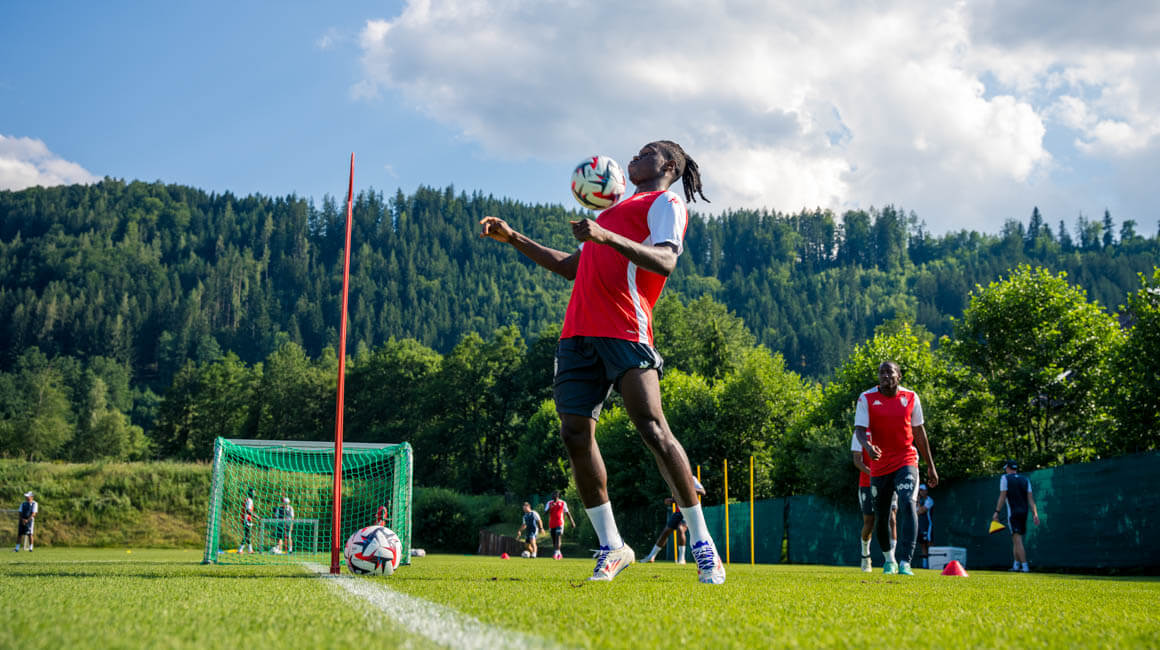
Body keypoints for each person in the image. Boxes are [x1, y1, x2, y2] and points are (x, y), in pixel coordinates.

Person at [480, 141, 725, 584]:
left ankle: (703, 543)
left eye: (646, 153)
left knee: (652, 427)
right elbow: (572, 267)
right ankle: (613, 546)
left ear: (668, 165)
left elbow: (667, 260)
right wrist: (514, 237)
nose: (634, 157)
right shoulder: (611, 212)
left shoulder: (664, 203)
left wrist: (604, 236)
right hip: (577, 336)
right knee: (574, 433)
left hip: (627, 329)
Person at [853, 361, 939, 576]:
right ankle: (889, 560)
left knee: (908, 503)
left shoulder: (911, 397)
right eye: (881, 372)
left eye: (889, 372)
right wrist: (868, 447)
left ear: (898, 376)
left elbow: (919, 432)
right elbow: (860, 430)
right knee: (881, 516)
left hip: (906, 460)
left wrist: (930, 466)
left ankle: (905, 562)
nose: (885, 376)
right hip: (880, 465)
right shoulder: (866, 398)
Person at [851, 433, 897, 572]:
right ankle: (865, 556)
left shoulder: (888, 427)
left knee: (892, 518)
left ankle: (891, 560)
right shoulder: (859, 433)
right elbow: (857, 460)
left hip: (889, 480)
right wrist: (874, 474)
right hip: (867, 483)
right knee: (869, 522)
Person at [641, 478, 706, 564]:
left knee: (680, 529)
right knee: (666, 532)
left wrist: (689, 488)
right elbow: (679, 498)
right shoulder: (675, 480)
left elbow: (703, 492)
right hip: (679, 511)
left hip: (690, 510)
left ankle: (682, 559)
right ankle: (651, 556)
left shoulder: (691, 478)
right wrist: (671, 501)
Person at [992, 460, 1040, 572]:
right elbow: (1031, 499)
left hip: (1013, 514)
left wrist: (997, 511)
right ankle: (1016, 565)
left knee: (1017, 540)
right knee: (1015, 539)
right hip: (1024, 513)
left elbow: (1002, 496)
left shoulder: (1005, 478)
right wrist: (1035, 514)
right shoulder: (1026, 479)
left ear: (1008, 468)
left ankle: (1025, 566)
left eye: (1006, 468)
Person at [543, 491, 576, 560]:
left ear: (558, 496)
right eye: (553, 495)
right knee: (554, 539)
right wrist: (550, 507)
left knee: (558, 536)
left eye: (555, 495)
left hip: (560, 523)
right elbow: (545, 513)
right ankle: (559, 553)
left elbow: (567, 513)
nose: (554, 497)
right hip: (552, 523)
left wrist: (572, 522)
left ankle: (555, 553)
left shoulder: (563, 503)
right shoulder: (549, 503)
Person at [916, 484, 934, 568]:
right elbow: (916, 511)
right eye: (920, 490)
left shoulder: (929, 500)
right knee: (923, 544)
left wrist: (918, 507)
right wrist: (918, 503)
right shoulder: (918, 501)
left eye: (923, 490)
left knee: (929, 543)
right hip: (920, 526)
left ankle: (933, 564)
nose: (921, 492)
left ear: (926, 491)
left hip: (928, 526)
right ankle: (925, 566)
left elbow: (921, 511)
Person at [239, 488, 256, 554]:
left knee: (248, 535)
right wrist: (256, 516)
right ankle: (240, 550)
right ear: (250, 493)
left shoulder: (248, 500)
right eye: (254, 492)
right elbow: (248, 510)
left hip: (246, 518)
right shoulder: (249, 500)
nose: (255, 494)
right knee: (247, 535)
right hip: (247, 519)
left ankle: (250, 550)